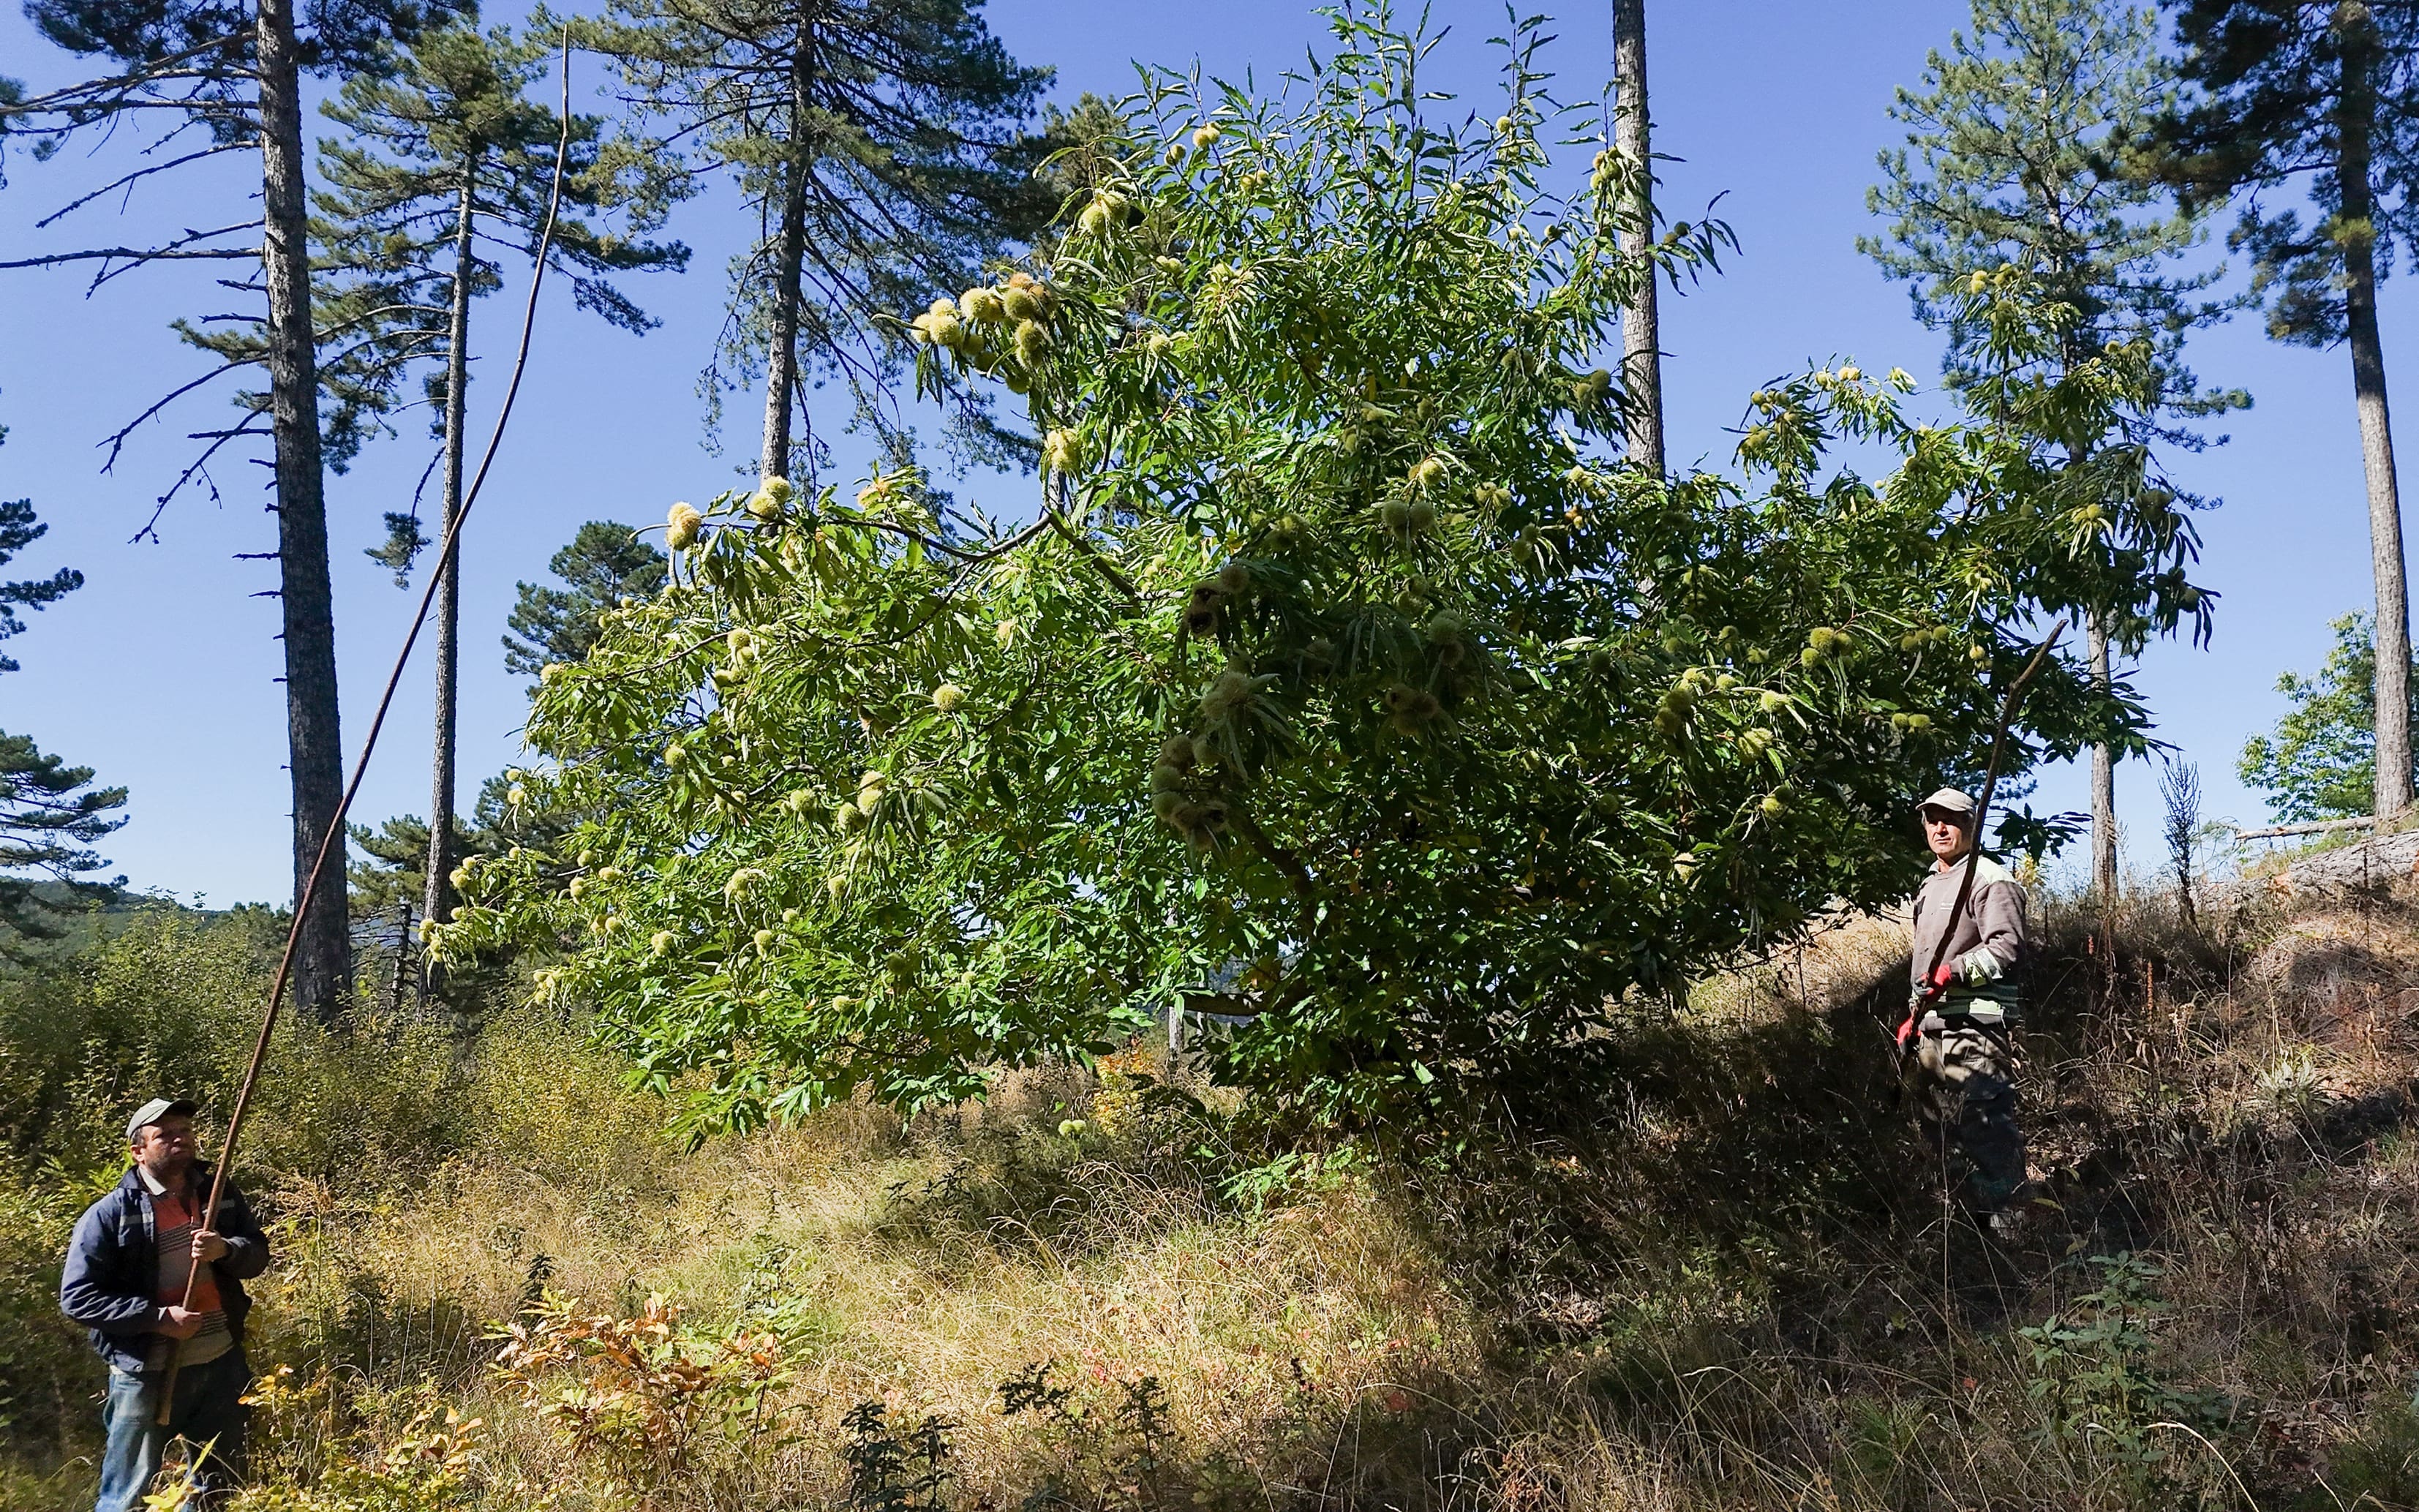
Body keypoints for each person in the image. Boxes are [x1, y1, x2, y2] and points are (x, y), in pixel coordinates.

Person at [60, 1097, 271, 1511]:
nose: (180, 1139)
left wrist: (225, 1249)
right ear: (138, 1151)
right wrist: (159, 1319)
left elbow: (258, 1254)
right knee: (126, 1493)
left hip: (220, 1365)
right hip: (145, 1374)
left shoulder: (220, 1194)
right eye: (165, 1134)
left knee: (218, 1488)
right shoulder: (111, 1215)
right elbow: (78, 1298)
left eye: (185, 1131)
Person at [1902, 788, 2031, 1235]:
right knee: (1941, 1132)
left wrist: (1953, 973)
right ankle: (1965, 1231)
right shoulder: (1929, 883)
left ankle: (2011, 1234)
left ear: (1971, 825)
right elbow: (1925, 961)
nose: (1940, 828)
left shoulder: (1990, 879)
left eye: (1951, 819)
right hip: (1932, 1026)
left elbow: (2007, 948)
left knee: (1986, 1128)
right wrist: (1913, 1015)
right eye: (1932, 819)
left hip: (1975, 1022)